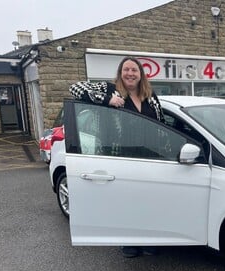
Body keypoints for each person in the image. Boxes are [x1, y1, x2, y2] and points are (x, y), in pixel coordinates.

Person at [69, 56, 164, 258]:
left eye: (134, 70)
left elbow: (162, 124)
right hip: (121, 156)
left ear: (141, 74)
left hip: (149, 158)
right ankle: (128, 242)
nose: (130, 73)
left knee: (147, 201)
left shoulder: (150, 95)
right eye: (126, 70)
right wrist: (106, 100)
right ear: (121, 73)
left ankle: (148, 239)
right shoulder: (109, 89)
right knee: (125, 200)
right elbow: (75, 88)